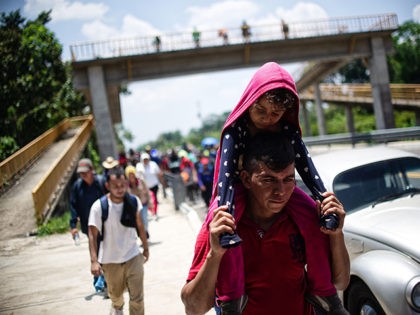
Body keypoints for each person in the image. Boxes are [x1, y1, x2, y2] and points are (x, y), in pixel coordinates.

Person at [196, 61, 345, 314]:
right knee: (224, 225)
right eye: (260, 111)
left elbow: (307, 168)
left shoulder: (286, 129)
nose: (267, 119)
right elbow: (225, 178)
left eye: (274, 113)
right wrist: (223, 213)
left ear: (286, 112)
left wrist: (325, 205)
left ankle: (324, 293)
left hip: (264, 186)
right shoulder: (237, 129)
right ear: (249, 102)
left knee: (312, 217)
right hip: (237, 190)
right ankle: (231, 299)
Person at [181, 132, 350, 315]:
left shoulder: (304, 220)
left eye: (288, 180)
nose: (281, 192)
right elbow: (193, 308)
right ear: (246, 179)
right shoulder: (222, 227)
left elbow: (340, 282)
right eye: (268, 180)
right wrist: (215, 255)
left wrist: (336, 235)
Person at [88, 167, 149, 315]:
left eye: (122, 185)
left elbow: (140, 226)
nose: (120, 189)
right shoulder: (99, 207)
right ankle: (117, 308)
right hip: (110, 261)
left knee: (137, 298)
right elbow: (92, 235)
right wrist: (94, 261)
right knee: (116, 297)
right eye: (115, 186)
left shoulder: (133, 201)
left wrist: (145, 248)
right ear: (108, 186)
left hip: (133, 256)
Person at [69, 158, 107, 292]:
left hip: (105, 225)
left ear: (92, 171)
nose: (83, 175)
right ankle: (99, 278)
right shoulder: (77, 187)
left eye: (85, 172)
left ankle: (104, 280)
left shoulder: (101, 183)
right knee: (95, 250)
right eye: (80, 173)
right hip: (88, 226)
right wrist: (73, 226)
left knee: (104, 251)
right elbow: (73, 206)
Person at [136, 153, 166, 219]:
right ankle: (152, 211)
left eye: (147, 159)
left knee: (154, 199)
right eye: (144, 159)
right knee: (148, 200)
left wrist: (162, 182)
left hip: (154, 185)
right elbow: (138, 177)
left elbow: (158, 174)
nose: (146, 161)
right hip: (145, 188)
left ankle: (154, 212)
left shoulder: (153, 164)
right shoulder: (139, 166)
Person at [125, 165, 151, 239]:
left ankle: (145, 231)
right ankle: (142, 235)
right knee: (138, 223)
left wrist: (150, 201)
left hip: (143, 204)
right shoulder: (127, 185)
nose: (131, 176)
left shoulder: (141, 181)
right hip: (134, 207)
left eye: (132, 174)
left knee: (145, 220)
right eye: (129, 175)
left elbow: (147, 191)